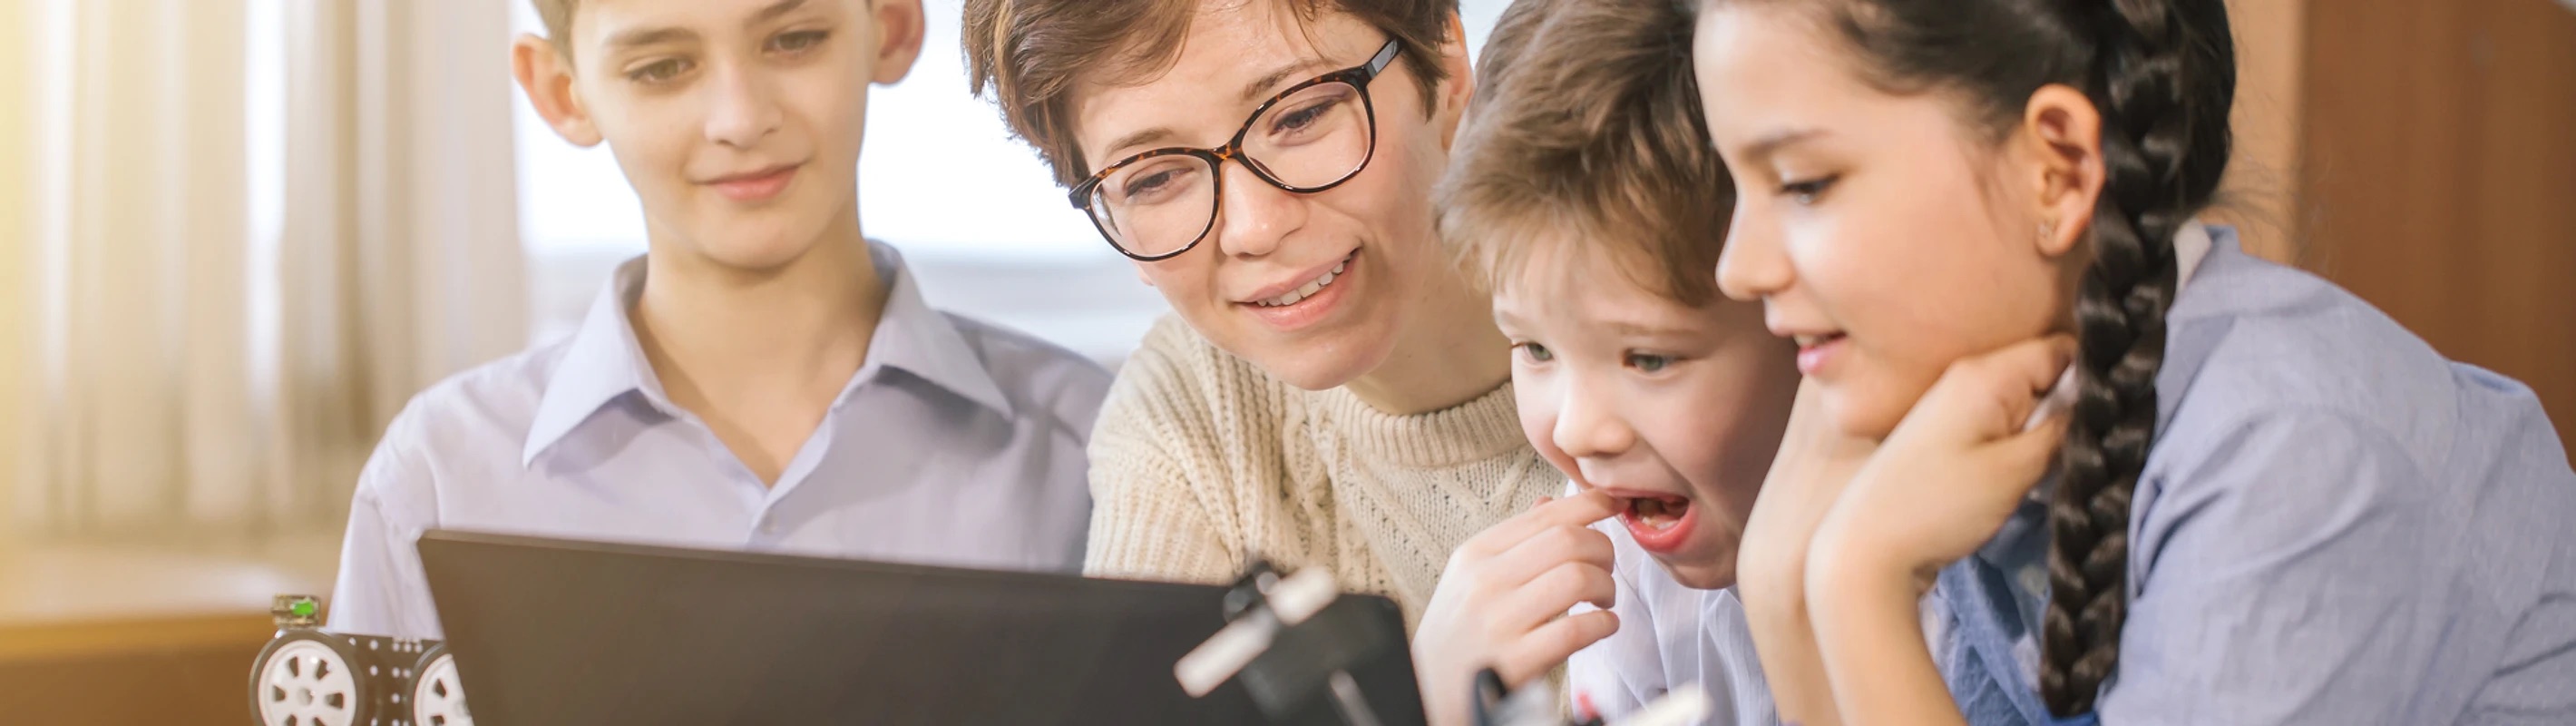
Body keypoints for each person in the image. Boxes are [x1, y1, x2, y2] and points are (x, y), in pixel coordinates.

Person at [1689, 0, 2576, 722]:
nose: (1736, 265)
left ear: (2059, 168)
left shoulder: (2289, 457)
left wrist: (1855, 587)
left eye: (1803, 182)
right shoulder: (1973, 411)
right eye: (1737, 186)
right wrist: (1778, 584)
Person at [328, 0, 1111, 640]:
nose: (740, 118)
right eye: (662, 67)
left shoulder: (1098, 447)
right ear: (561, 91)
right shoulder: (440, 477)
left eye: (795, 39)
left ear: (894, 25)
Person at [962, 0, 1561, 628]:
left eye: (1300, 115)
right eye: (1154, 179)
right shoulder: (1190, 412)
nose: (1255, 228)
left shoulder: (1657, 251)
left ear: (1446, 65)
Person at [1406, 0, 1798, 722]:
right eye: (1535, 349)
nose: (1579, 432)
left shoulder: (1935, 579)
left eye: (1648, 358)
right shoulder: (1627, 561)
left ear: (1806, 321)